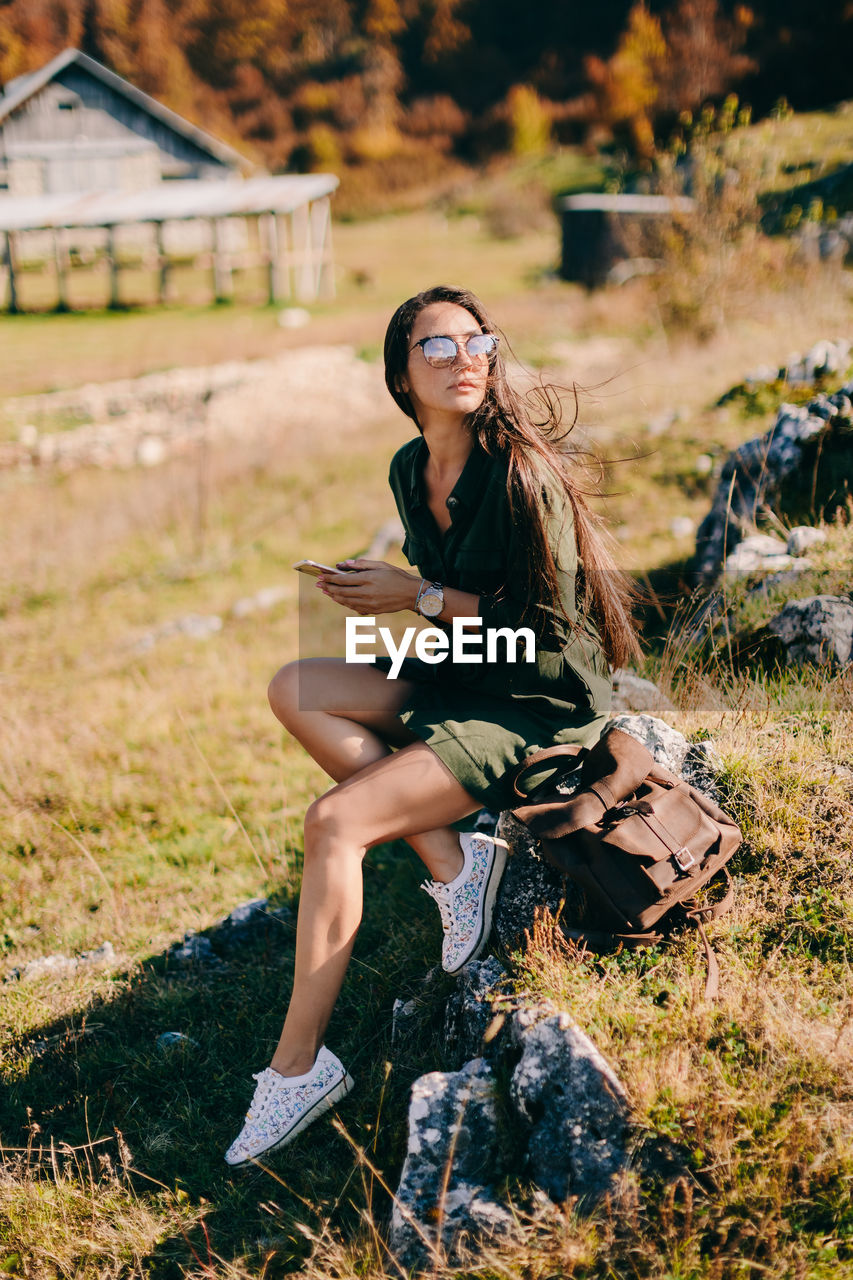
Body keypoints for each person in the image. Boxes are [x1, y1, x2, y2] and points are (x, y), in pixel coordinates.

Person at [224, 285, 639, 1166]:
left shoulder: (522, 476)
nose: (465, 360)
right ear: (400, 374)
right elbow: (455, 613)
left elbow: (550, 640)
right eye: (437, 348)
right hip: (467, 674)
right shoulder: (410, 472)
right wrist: (379, 594)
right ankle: (456, 865)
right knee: (296, 685)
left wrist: (410, 596)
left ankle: (298, 1069)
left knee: (334, 823)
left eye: (476, 342)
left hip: (537, 705)